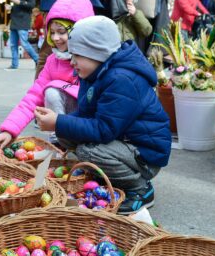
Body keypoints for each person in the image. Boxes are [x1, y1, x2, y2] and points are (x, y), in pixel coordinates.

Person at [34, 16, 171, 214]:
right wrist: (59, 123)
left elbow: (104, 129)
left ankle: (140, 189)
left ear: (96, 53)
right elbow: (86, 113)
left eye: (77, 55)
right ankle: (108, 174)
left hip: (145, 154)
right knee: (64, 131)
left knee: (88, 152)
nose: (72, 62)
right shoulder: (95, 71)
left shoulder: (122, 79)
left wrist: (58, 121)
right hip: (122, 140)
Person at [0, 0, 95, 148]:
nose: (56, 38)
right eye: (52, 33)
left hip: (91, 124)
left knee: (56, 89)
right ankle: (59, 144)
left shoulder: (94, 59)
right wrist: (9, 130)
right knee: (50, 92)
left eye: (62, 32)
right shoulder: (53, 61)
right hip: (65, 124)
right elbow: (33, 97)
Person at [6, 0, 39, 70]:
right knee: (13, 44)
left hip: (23, 21)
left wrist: (19, 2)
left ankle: (37, 60)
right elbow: (16, 6)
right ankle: (14, 64)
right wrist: (10, 7)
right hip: (14, 21)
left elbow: (32, 5)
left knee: (24, 43)